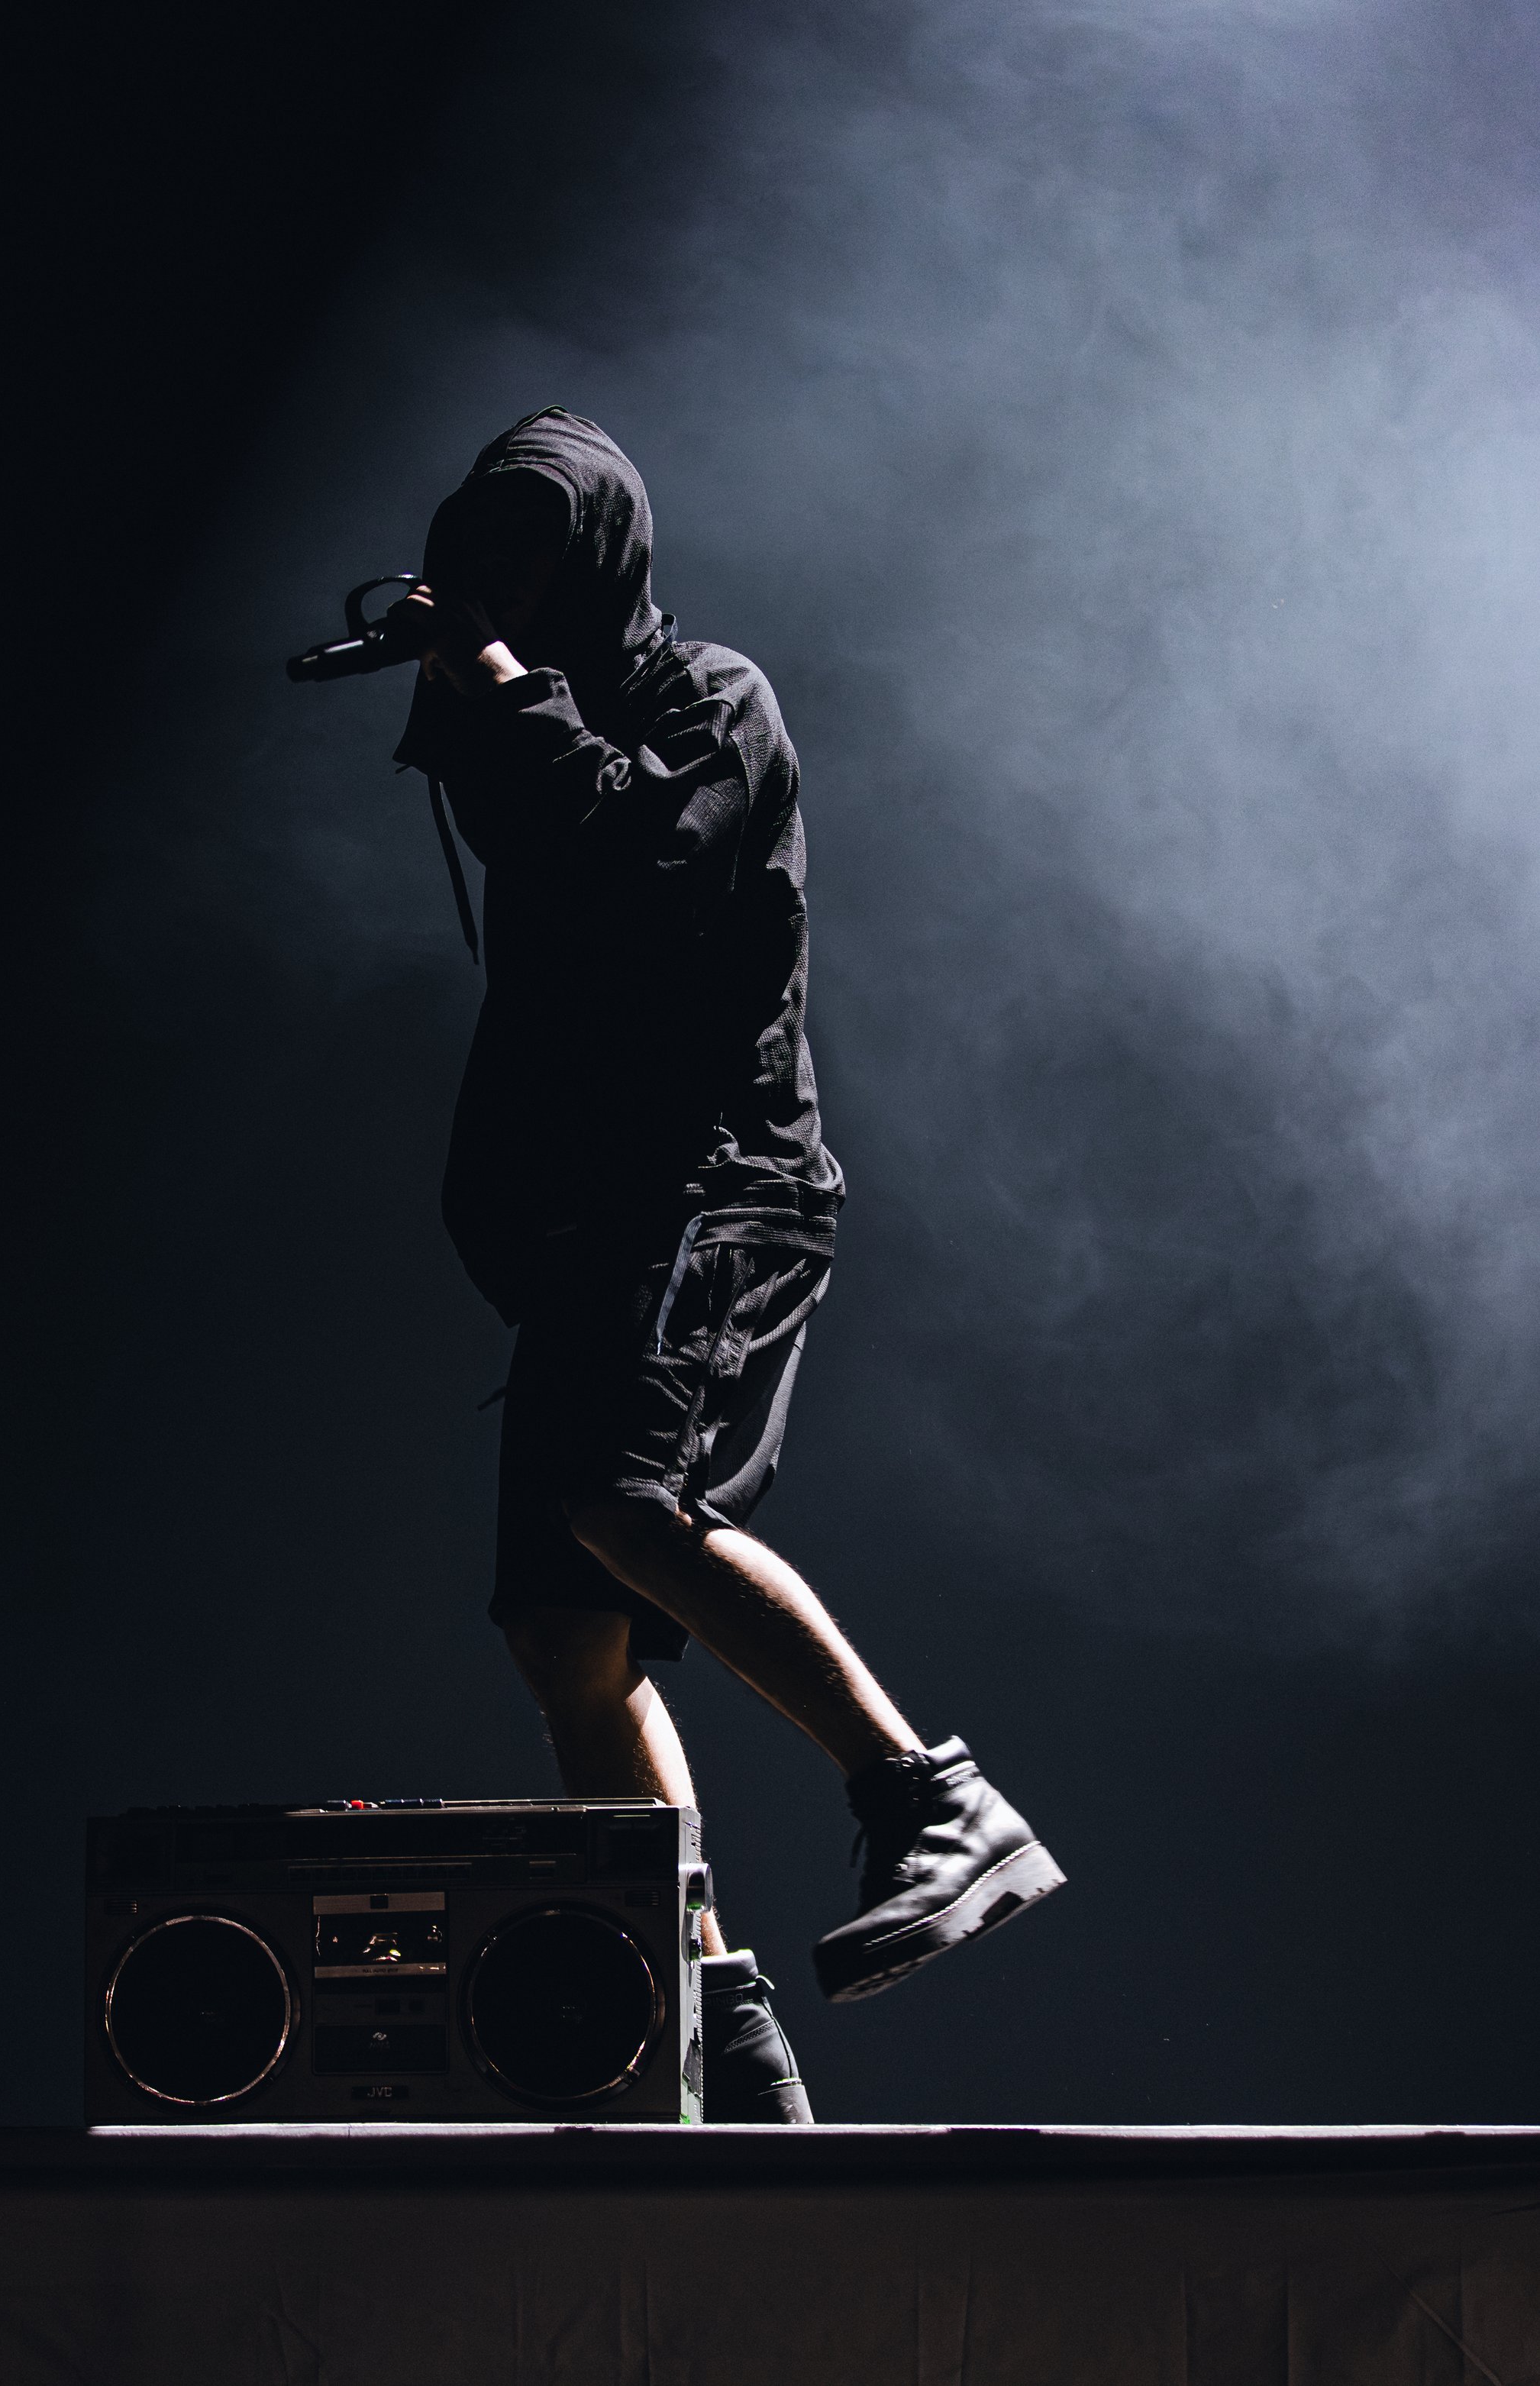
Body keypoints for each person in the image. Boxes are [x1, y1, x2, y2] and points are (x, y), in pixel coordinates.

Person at [391, 409, 1063, 2123]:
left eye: (531, 541)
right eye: (481, 547)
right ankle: (714, 2018)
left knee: (625, 1503)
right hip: (586, 1225)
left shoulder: (708, 696)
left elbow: (639, 859)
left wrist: (496, 681)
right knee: (564, 1636)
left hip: (714, 1185)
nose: (502, 578)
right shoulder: (512, 731)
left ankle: (931, 1800)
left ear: (597, 548)